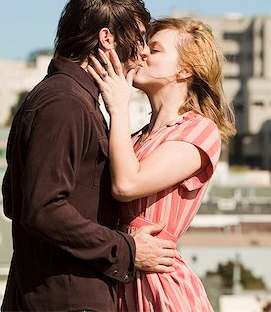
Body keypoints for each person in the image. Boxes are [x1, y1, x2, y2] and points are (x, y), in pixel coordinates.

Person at [1, 0, 177, 312]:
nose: (142, 53)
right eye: (139, 38)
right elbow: (43, 209)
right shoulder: (64, 103)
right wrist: (127, 251)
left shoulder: (71, 100)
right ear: (107, 38)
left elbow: (16, 201)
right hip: (67, 301)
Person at [88, 17, 236, 311]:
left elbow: (127, 184)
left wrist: (118, 106)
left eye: (155, 50)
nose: (142, 53)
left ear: (184, 70)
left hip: (159, 286)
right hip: (121, 273)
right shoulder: (134, 138)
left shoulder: (199, 131)